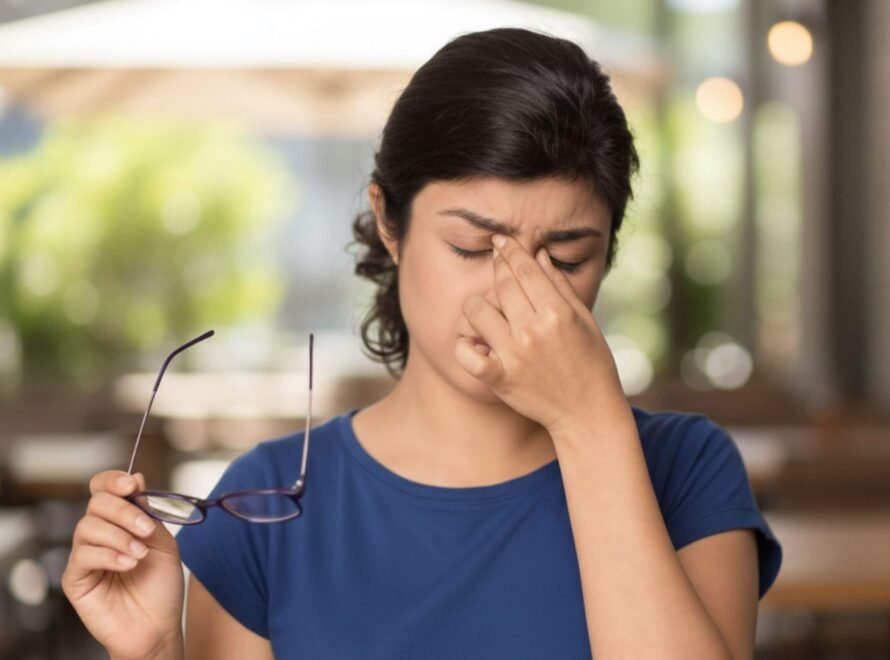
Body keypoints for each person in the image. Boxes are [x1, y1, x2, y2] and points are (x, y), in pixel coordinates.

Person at [62, 27, 782, 659]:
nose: (513, 295)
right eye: (472, 246)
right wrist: (154, 652)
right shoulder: (268, 508)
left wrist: (590, 423)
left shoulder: (687, 470)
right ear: (389, 222)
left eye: (566, 259)